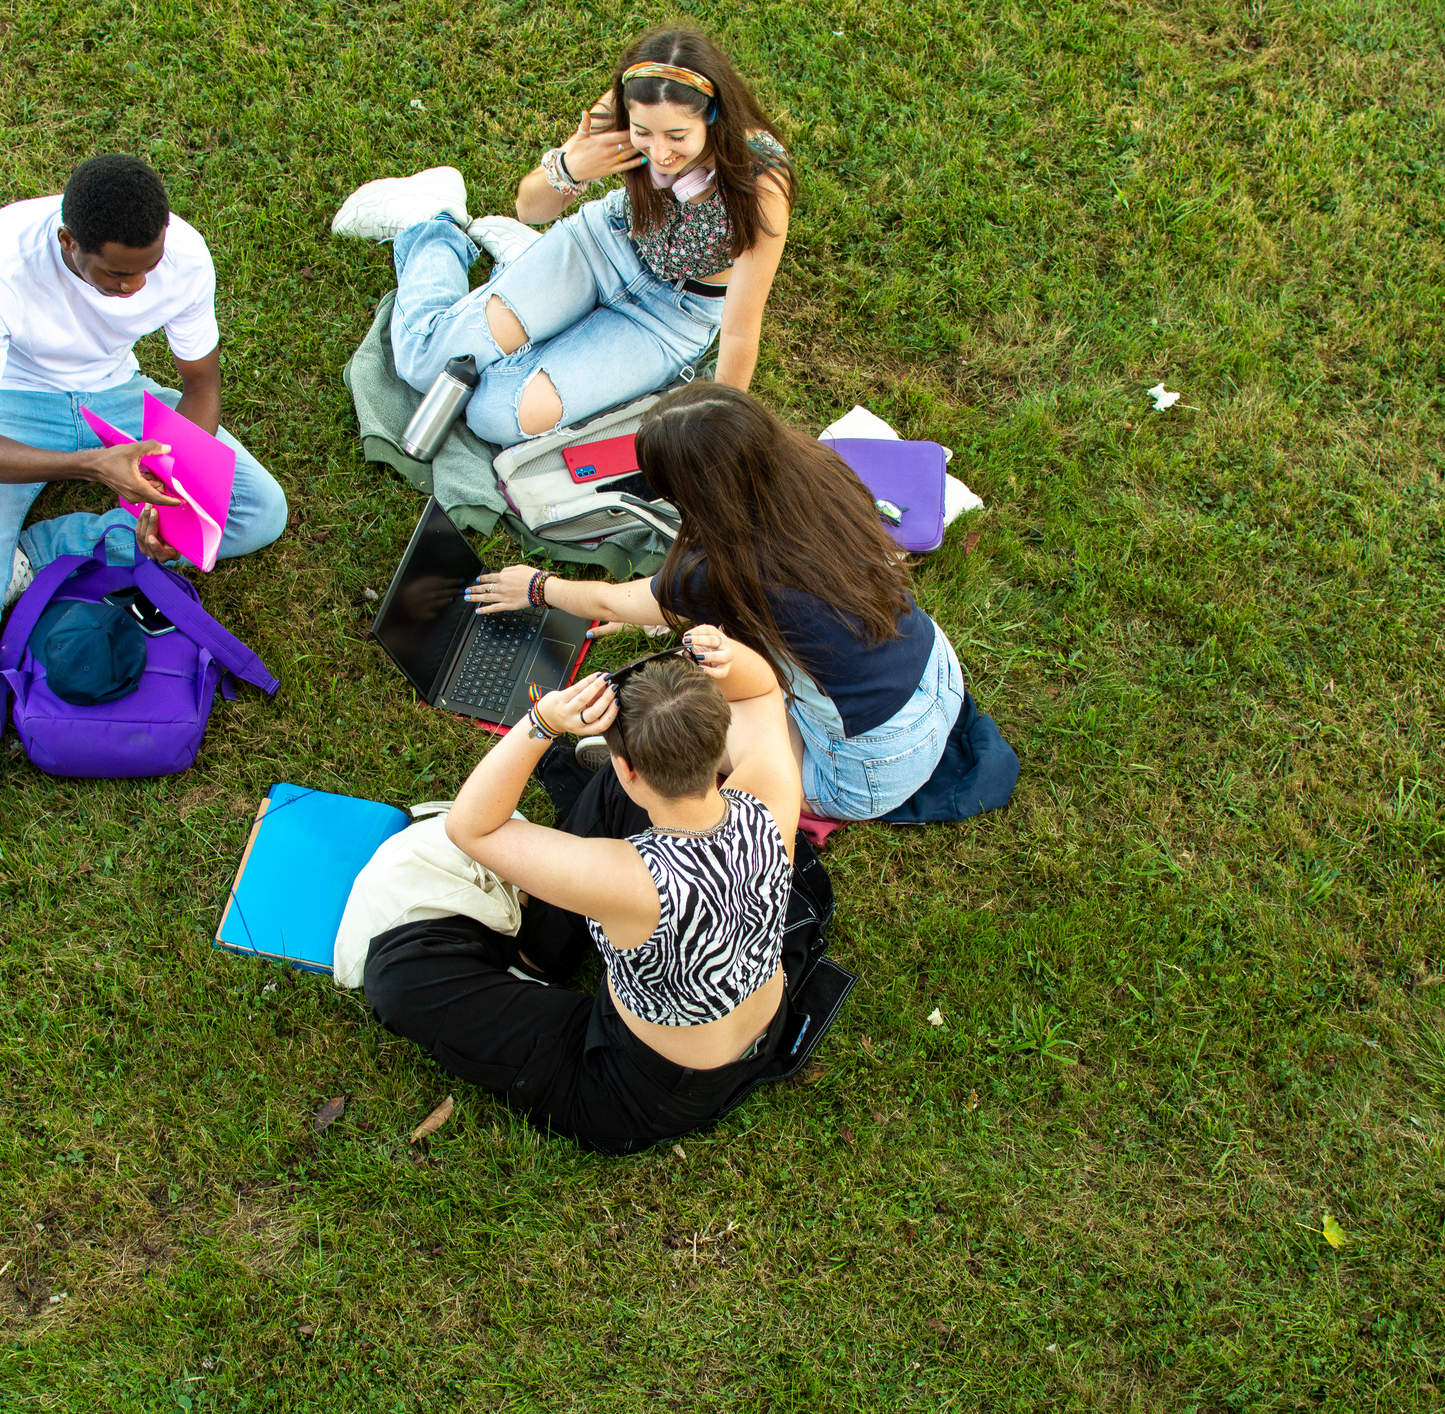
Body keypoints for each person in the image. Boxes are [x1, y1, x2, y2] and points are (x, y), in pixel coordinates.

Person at [0, 154, 289, 871]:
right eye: (117, 275)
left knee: (256, 512)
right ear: (68, 246)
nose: (135, 287)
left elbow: (200, 387)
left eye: (146, 269)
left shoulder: (181, 256)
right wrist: (90, 466)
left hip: (114, 397)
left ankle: (72, 542)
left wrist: (173, 483)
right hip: (10, 412)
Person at [360, 629, 817, 1153]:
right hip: (759, 1029)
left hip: (647, 1086)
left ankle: (533, 956)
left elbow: (473, 828)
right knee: (606, 799)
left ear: (628, 768)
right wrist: (730, 656)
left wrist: (541, 723)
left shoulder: (628, 878)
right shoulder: (771, 799)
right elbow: (760, 692)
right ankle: (539, 956)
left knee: (398, 976)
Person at [466, 382, 969, 821]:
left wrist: (537, 587)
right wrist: (664, 613)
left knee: (688, 718)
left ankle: (641, 758)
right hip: (938, 672)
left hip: (872, 767)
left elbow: (614, 601)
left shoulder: (714, 571)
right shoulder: (823, 473)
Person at [328, 26, 794, 445]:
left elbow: (738, 327)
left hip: (670, 317)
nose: (659, 152)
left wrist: (723, 433)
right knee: (424, 363)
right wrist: (572, 167)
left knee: (493, 414)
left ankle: (521, 273)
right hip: (599, 247)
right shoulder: (622, 109)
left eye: (677, 135)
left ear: (712, 116)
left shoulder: (760, 181)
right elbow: (530, 207)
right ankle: (433, 219)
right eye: (643, 134)